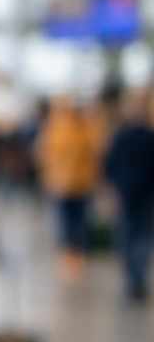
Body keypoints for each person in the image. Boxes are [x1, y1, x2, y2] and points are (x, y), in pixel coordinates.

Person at [37, 97, 104, 280]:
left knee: (72, 220)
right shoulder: (79, 128)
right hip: (70, 184)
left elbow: (45, 155)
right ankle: (73, 255)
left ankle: (73, 255)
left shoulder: (59, 129)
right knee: (73, 221)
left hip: (71, 184)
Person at [103, 87, 154, 304]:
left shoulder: (120, 136)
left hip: (129, 194)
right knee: (141, 237)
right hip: (143, 194)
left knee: (130, 236)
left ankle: (133, 280)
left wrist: (112, 188)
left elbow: (108, 166)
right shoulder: (147, 136)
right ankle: (137, 279)